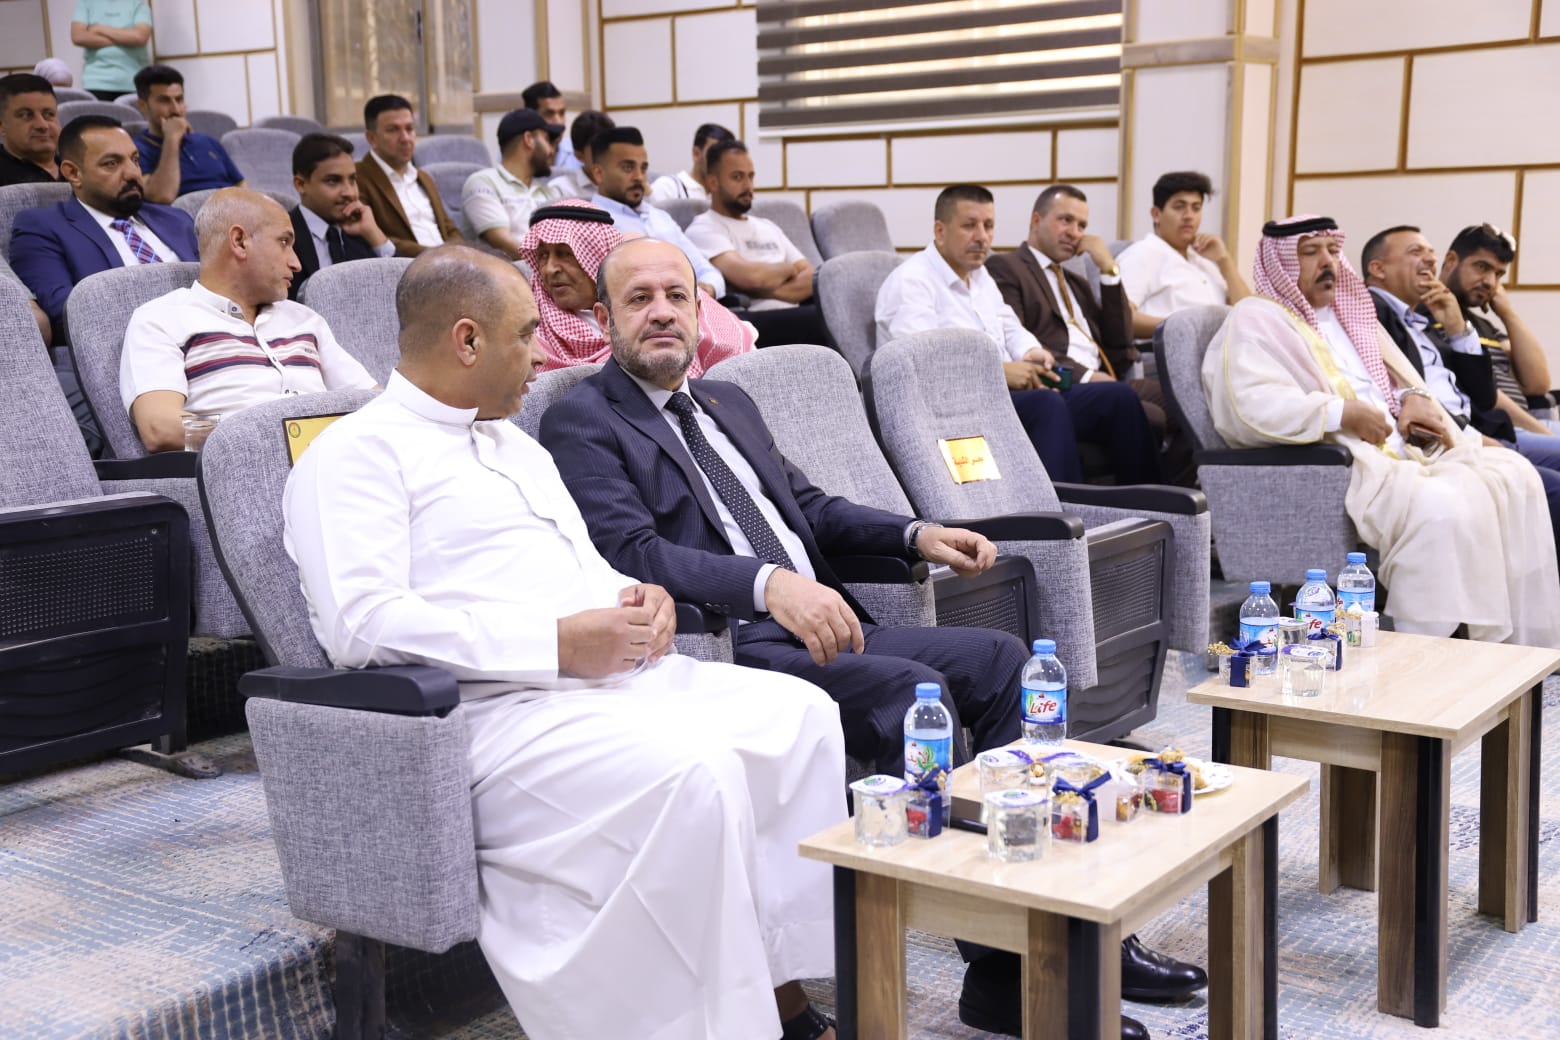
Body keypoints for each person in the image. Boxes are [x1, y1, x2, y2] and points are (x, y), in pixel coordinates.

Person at [542, 237, 1192, 1040]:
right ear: (603, 316)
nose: (662, 312)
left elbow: (810, 509)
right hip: (731, 644)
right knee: (910, 699)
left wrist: (917, 531)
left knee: (1006, 662)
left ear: (700, 308)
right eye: (639, 298)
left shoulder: (727, 403)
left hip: (827, 622)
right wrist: (767, 584)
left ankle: (1033, 947)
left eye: (677, 295)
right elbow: (631, 552)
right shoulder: (582, 418)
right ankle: (1003, 966)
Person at [284, 244, 844, 1040]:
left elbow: (585, 568)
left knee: (801, 715)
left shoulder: (515, 444)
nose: (544, 354)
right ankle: (700, 1021)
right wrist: (553, 645)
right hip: (488, 718)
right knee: (696, 773)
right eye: (525, 335)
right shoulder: (353, 454)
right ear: (468, 340)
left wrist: (640, 600)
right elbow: (362, 627)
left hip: (605, 684)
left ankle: (775, 985)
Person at [1204, 215, 1560, 645]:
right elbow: (1250, 404)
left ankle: (1510, 649)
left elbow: (1396, 376)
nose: (1327, 262)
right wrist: (1341, 413)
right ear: (1280, 262)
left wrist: (1413, 397)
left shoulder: (1350, 312)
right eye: (1310, 252)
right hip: (1348, 459)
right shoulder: (1258, 318)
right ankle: (1427, 645)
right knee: (1442, 505)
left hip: (1406, 448)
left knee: (1516, 476)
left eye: (1333, 250)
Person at [877, 184, 1162, 486]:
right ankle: (1062, 510)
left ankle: (1149, 503)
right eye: (970, 225)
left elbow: (1009, 325)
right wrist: (999, 372)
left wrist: (1031, 352)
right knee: (1046, 405)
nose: (982, 237)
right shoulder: (912, 282)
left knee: (1117, 398)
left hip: (1001, 394)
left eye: (989, 226)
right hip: (952, 407)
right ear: (940, 230)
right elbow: (921, 367)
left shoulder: (978, 275)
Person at [1363, 224, 1560, 571]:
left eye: (1430, 252)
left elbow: (1485, 395)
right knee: (1552, 486)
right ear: (1378, 268)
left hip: (1477, 431)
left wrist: (1459, 329)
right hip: (1451, 439)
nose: (1430, 259)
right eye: (1416, 252)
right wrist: (1471, 438)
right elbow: (1406, 394)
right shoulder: (1372, 312)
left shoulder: (1428, 317)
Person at [119, 188, 377, 452]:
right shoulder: (161, 318)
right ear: (240, 241)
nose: (296, 263)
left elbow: (375, 403)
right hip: (249, 470)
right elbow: (160, 427)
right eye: (284, 242)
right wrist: (269, 437)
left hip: (337, 461)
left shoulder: (305, 319)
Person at [987, 184, 1183, 482]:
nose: (1074, 233)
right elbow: (1018, 338)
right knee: (1132, 405)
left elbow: (1119, 343)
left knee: (1191, 402)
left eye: (1081, 226)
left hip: (1107, 378)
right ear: (1036, 221)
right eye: (1065, 220)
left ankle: (1183, 494)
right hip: (1064, 380)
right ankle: (1147, 500)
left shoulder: (1075, 281)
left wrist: (1108, 269)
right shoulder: (1007, 267)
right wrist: (1088, 377)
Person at [10, 114, 196, 337]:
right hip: (136, 344)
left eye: (135, 160)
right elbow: (64, 311)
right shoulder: (42, 227)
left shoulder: (176, 218)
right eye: (111, 164)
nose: (132, 173)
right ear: (73, 173)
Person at [517, 198, 752, 375]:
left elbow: (734, 345)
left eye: (564, 254)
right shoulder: (533, 327)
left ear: (596, 255)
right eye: (543, 256)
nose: (550, 269)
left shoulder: (658, 290)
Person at [686, 138, 825, 347]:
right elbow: (751, 277)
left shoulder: (767, 225)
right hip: (750, 319)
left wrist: (762, 286)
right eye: (737, 177)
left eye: (750, 176)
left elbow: (811, 277)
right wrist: (788, 269)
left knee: (833, 307)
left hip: (795, 312)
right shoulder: (704, 227)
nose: (747, 185)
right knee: (821, 319)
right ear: (713, 182)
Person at [1439, 224, 1559, 435]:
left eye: (1498, 274)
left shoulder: (1485, 326)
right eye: (1482, 267)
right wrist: (1544, 434)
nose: (1490, 282)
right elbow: (1483, 391)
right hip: (1500, 429)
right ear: (1451, 261)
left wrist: (1508, 314)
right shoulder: (1435, 316)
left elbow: (1536, 384)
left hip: (1529, 425)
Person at [587, 126, 725, 299]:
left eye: (643, 168)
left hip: (695, 305)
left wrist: (708, 289)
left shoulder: (660, 217)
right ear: (599, 173)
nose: (639, 177)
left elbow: (706, 271)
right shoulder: (591, 224)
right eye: (628, 168)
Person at [1117, 171, 1250, 338]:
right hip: (1169, 350)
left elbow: (1249, 314)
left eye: (1196, 208)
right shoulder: (1142, 254)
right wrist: (1180, 327)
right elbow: (1120, 318)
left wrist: (1225, 261)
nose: (1189, 216)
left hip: (1223, 349)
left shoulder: (1203, 262)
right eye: (1179, 207)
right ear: (1156, 214)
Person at [287, 132, 394, 300]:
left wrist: (375, 236)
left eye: (352, 180)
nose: (349, 193)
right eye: (333, 181)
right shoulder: (284, 236)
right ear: (301, 184)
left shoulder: (362, 232)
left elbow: (404, 287)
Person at [354, 94, 462, 257]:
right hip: (406, 265)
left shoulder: (423, 177)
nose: (405, 138)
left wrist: (459, 253)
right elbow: (377, 238)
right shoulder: (358, 178)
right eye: (393, 130)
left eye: (409, 129)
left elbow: (450, 229)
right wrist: (435, 255)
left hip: (449, 261)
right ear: (371, 138)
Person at [130, 64, 245, 204]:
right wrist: (172, 139)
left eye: (179, 100)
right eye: (164, 101)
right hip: (186, 214)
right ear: (142, 105)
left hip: (231, 209)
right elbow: (162, 197)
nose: (176, 110)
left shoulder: (207, 141)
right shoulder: (135, 150)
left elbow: (241, 184)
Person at [459, 109, 563, 259]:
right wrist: (549, 263)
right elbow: (503, 244)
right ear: (529, 139)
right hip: (503, 271)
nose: (552, 150)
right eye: (547, 140)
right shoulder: (483, 182)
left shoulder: (548, 192)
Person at [70, 0, 150, 101]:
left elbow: (140, 37)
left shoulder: (138, 2)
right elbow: (78, 37)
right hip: (96, 82)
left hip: (134, 82)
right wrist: (126, 37)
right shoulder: (85, 2)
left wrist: (99, 29)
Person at [0, 73, 61, 185]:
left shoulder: (80, 167)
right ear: (1, 125)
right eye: (25, 115)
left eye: (49, 114)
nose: (42, 125)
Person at [648, 122, 732, 203]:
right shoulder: (668, 188)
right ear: (696, 154)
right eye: (715, 154)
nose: (721, 161)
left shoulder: (726, 197)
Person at [548, 109, 613, 200]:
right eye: (599, 149)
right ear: (579, 155)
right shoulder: (561, 189)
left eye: (610, 146)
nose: (608, 154)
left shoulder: (621, 185)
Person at [522, 79, 577, 169]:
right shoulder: (514, 154)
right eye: (549, 114)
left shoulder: (578, 152)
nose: (559, 122)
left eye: (562, 113)